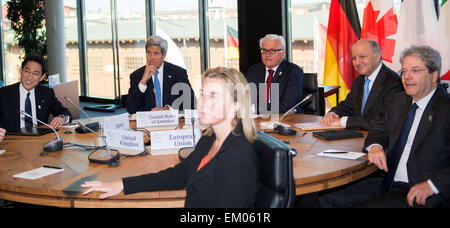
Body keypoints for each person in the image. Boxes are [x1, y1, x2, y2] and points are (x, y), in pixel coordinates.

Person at [82, 67, 260, 208]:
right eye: (203, 94)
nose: (203, 102)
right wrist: (122, 184)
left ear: (235, 105)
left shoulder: (239, 155)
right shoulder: (209, 139)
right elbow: (177, 175)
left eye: (213, 96)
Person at [319, 45, 450, 208]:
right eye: (404, 71)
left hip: (421, 191)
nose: (407, 77)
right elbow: (379, 130)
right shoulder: (400, 101)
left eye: (415, 70)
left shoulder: (445, 108)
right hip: (387, 180)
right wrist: (375, 146)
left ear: (434, 75)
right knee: (322, 199)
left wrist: (433, 185)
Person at [319, 39, 403, 130]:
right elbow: (348, 106)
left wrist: (343, 121)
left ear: (377, 56)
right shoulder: (358, 81)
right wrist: (332, 114)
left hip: (379, 141)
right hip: (357, 136)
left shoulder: (394, 82)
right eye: (354, 58)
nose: (357, 62)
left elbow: (383, 121)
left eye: (362, 56)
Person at [0, 54, 72, 132]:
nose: (29, 77)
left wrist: (62, 118)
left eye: (35, 74)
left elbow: (64, 112)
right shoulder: (4, 93)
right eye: (27, 71)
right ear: (21, 70)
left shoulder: (46, 93)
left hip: (39, 140)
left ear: (42, 77)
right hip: (11, 140)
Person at [126, 35, 196, 114]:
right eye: (148, 52)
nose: (151, 57)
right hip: (147, 125)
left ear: (164, 55)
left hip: (173, 123)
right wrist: (143, 82)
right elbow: (131, 109)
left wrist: (168, 109)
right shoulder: (137, 76)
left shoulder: (178, 73)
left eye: (156, 53)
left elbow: (191, 104)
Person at [246, 34, 303, 114]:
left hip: (287, 120)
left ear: (283, 53)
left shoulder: (293, 72)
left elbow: (286, 106)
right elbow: (246, 99)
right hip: (257, 119)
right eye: (264, 50)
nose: (267, 54)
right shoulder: (254, 71)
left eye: (272, 51)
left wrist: (253, 108)